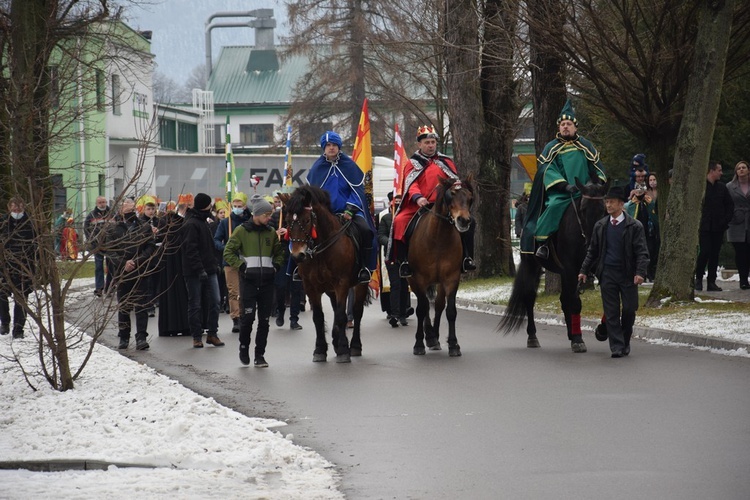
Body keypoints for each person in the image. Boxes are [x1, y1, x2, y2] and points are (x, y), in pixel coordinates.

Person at [520, 99, 607, 259]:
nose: (565, 126)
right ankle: (544, 243)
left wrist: (596, 184)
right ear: (559, 128)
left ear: (575, 127)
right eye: (563, 124)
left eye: (568, 124)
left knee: (603, 209)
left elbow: (597, 166)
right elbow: (547, 169)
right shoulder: (550, 147)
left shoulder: (586, 146)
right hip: (561, 193)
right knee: (553, 206)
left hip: (585, 192)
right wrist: (564, 186)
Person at [392, 125, 476, 277]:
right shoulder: (412, 163)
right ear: (420, 144)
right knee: (399, 221)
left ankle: (467, 257)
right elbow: (411, 185)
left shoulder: (445, 161)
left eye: (432, 142)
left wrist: (456, 185)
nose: (430, 145)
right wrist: (418, 198)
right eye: (427, 142)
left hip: (444, 204)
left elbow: (453, 180)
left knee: (470, 221)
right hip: (420, 204)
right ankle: (404, 261)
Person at [578, 186, 649, 358]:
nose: (608, 205)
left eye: (611, 202)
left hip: (627, 274)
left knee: (629, 309)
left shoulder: (634, 226)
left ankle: (624, 340)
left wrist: (640, 272)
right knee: (611, 312)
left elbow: (642, 252)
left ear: (621, 204)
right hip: (607, 273)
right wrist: (584, 270)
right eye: (606, 202)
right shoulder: (601, 226)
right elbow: (592, 251)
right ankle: (616, 346)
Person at [307, 130, 377, 284]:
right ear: (324, 147)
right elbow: (313, 194)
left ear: (339, 147)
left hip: (349, 212)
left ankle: (365, 268)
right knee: (302, 232)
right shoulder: (317, 168)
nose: (331, 148)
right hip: (325, 214)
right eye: (328, 145)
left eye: (334, 145)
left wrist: (350, 210)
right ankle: (299, 269)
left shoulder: (349, 165)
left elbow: (357, 191)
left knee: (367, 231)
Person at [223, 195, 285, 367]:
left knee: (264, 321)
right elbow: (228, 252)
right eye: (266, 215)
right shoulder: (242, 231)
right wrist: (241, 266)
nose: (269, 218)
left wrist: (276, 267)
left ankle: (260, 355)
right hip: (248, 282)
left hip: (267, 283)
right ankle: (244, 348)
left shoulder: (271, 233)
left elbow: (280, 253)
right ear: (256, 214)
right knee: (248, 319)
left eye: (270, 214)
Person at [102, 198, 156, 351]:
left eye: (132, 210)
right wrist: (123, 264)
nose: (129, 213)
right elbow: (110, 251)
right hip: (122, 273)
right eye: (127, 211)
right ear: (121, 211)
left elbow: (150, 247)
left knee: (141, 305)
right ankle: (124, 336)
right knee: (124, 306)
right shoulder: (113, 229)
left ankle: (141, 337)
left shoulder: (144, 228)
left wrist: (137, 261)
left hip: (140, 271)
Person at [181, 193, 224, 348]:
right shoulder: (191, 223)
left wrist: (214, 265)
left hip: (209, 268)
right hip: (194, 272)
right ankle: (197, 336)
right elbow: (190, 250)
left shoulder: (203, 222)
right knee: (195, 304)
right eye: (208, 206)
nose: (210, 209)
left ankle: (212, 333)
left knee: (215, 301)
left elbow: (208, 247)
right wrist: (200, 270)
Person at [0, 197, 37, 338]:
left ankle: (18, 329)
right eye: (14, 207)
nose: (17, 210)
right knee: (2, 295)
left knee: (21, 298)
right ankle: (4, 322)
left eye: (19, 207)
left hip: (24, 266)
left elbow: (35, 245)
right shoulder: (3, 222)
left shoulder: (30, 223)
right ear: (9, 207)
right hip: (4, 267)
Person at [214, 192, 250, 333]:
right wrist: (225, 248)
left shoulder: (249, 222)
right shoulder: (225, 222)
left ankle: (246, 315)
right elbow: (216, 240)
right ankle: (236, 318)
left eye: (239, 206)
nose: (236, 208)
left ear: (245, 206)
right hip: (230, 262)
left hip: (246, 261)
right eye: (234, 206)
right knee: (233, 291)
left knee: (246, 291)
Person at [695, 161, 734, 292]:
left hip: (718, 226)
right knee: (705, 251)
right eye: (719, 170)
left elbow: (729, 205)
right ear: (712, 171)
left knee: (714, 254)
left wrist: (725, 220)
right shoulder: (701, 187)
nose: (721, 173)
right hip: (705, 226)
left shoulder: (722, 188)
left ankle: (711, 281)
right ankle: (698, 278)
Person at [156, 196, 190, 337]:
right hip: (177, 259)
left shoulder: (167, 223)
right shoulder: (181, 223)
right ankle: (183, 324)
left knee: (173, 292)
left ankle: (171, 325)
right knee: (180, 292)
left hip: (172, 259)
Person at [270, 194, 303, 330]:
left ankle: (294, 319)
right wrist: (275, 232)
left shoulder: (300, 215)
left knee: (296, 288)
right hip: (282, 254)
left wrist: (289, 231)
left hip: (296, 254)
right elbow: (269, 229)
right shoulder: (277, 215)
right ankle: (280, 311)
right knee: (281, 286)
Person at [378, 192, 409, 327]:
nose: (396, 204)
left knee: (404, 286)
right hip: (391, 256)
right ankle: (395, 314)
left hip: (405, 257)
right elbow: (380, 236)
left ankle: (403, 314)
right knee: (395, 285)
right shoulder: (385, 218)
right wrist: (390, 242)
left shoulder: (407, 217)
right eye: (395, 202)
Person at [624, 183, 656, 281]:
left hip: (648, 231)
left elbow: (654, 215)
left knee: (650, 251)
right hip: (636, 232)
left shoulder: (649, 202)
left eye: (641, 191)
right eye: (637, 191)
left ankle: (650, 273)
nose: (639, 193)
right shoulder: (631, 204)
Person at [726, 160, 750, 290]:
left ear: (748, 170)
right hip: (737, 222)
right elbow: (726, 204)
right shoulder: (730, 186)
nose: (741, 170)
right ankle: (743, 280)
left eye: (744, 167)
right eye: (739, 168)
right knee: (741, 252)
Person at [84, 196, 112, 296]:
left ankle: (109, 287)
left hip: (111, 244)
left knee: (111, 267)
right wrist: (91, 241)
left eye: (104, 202)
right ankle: (99, 287)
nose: (102, 204)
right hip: (97, 245)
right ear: (96, 204)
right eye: (100, 202)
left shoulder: (112, 214)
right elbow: (86, 228)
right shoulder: (91, 215)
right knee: (98, 266)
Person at [644, 173, 660, 281]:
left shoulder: (661, 192)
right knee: (650, 248)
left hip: (659, 223)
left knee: (658, 248)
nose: (653, 182)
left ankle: (655, 270)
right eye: (651, 180)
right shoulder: (645, 194)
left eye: (654, 179)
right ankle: (648, 271)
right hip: (649, 225)